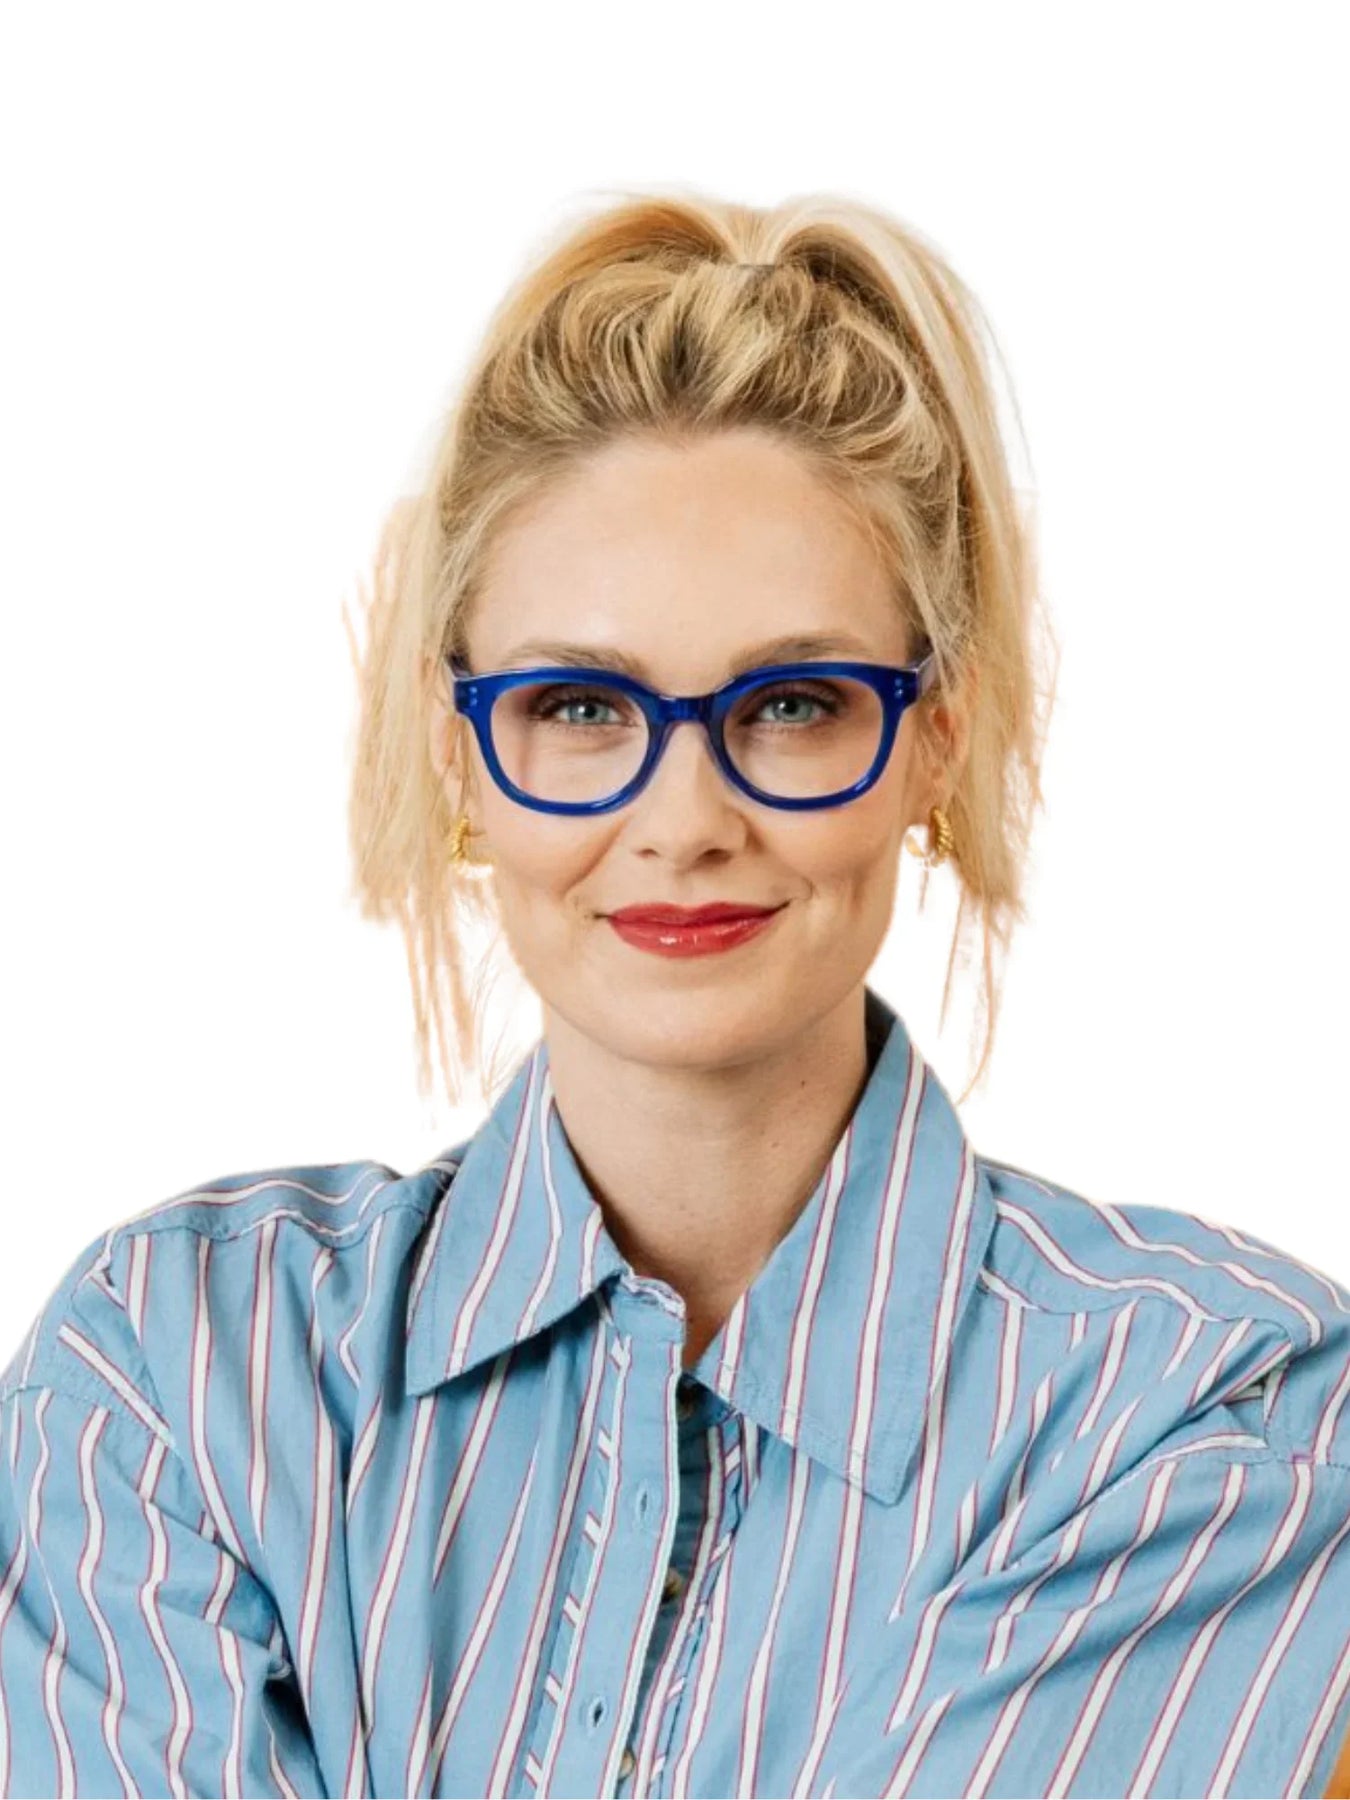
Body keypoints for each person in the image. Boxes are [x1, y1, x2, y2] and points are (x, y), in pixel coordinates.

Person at [2, 189, 1348, 1800]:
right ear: (455, 753)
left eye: (792, 702)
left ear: (932, 739)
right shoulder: (177, 1366)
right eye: (578, 706)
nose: (684, 818)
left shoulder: (1221, 1403)